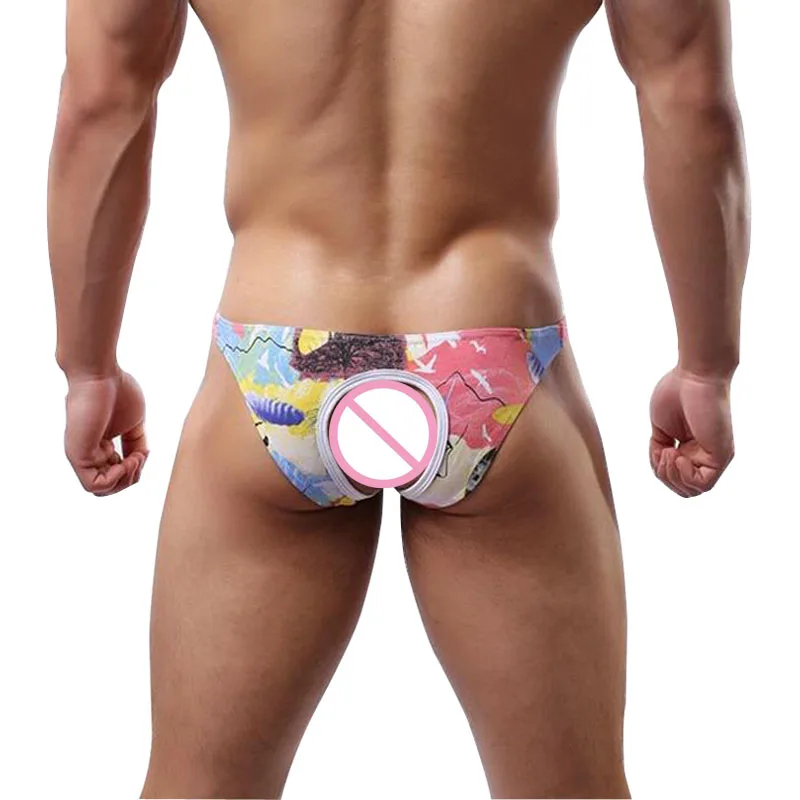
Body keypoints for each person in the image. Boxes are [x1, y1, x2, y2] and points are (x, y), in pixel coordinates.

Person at [47, 0, 749, 797]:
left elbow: (101, 102)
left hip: (279, 349)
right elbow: (691, 99)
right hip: (490, 350)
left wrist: (88, 368)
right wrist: (707, 367)